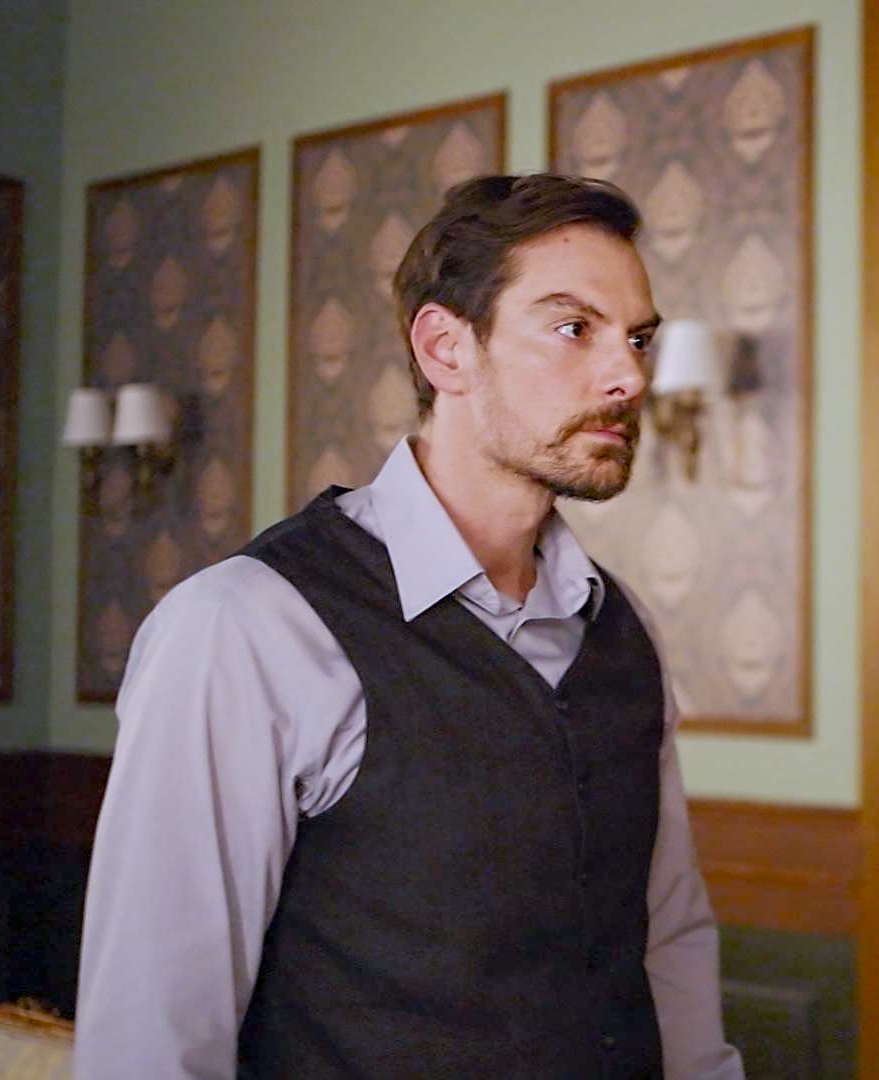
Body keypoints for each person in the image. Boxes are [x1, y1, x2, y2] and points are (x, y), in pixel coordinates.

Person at [77, 174, 745, 1080]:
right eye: (572, 328)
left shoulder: (624, 628)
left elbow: (671, 938)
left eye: (636, 338)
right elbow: (152, 1038)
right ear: (445, 349)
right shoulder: (244, 625)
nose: (628, 377)